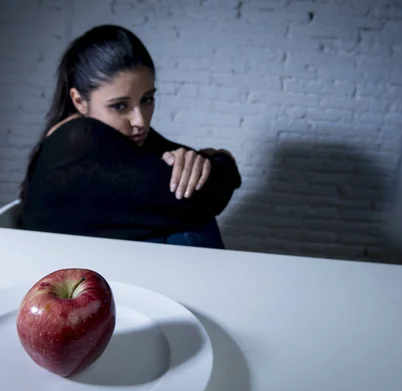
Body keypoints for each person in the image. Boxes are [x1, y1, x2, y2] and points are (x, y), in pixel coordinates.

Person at [19, 24, 241, 249]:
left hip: (106, 268)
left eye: (147, 100)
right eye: (119, 106)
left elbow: (196, 178)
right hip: (69, 278)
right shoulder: (78, 140)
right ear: (79, 101)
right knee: (194, 226)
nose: (140, 121)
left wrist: (197, 160)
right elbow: (203, 198)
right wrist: (223, 160)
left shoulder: (118, 135)